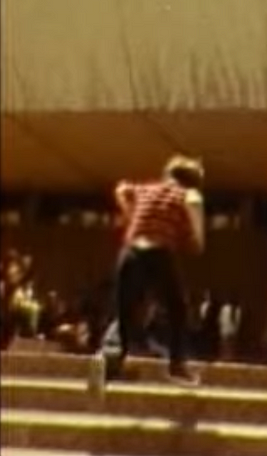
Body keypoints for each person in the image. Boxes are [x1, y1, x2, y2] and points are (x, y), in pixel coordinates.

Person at [89, 155, 205, 395]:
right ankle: (177, 364)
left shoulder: (146, 189)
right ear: (191, 182)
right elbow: (196, 242)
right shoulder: (188, 195)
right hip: (159, 252)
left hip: (130, 253)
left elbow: (121, 188)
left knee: (126, 310)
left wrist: (130, 214)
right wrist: (194, 238)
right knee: (177, 308)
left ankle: (108, 361)